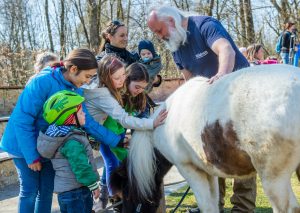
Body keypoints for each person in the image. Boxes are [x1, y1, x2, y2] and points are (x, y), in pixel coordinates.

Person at [147, 6, 256, 213]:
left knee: (244, 155)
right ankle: (216, 206)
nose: (159, 37)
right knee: (214, 159)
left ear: (171, 20)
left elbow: (226, 50)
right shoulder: (176, 46)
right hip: (210, 110)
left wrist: (221, 76)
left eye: (159, 30)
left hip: (238, 98)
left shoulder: (205, 25)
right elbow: (189, 82)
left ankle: (243, 209)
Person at [0, 48, 122, 213]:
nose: (88, 82)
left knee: (46, 192)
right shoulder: (42, 81)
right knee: (29, 191)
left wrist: (116, 140)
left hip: (49, 146)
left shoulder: (76, 88)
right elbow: (23, 120)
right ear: (73, 69)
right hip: (22, 146)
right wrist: (31, 156)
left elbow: (88, 122)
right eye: (87, 76)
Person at [83, 55, 167, 211]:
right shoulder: (108, 95)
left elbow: (135, 116)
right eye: (137, 87)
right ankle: (116, 198)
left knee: (123, 164)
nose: (140, 91)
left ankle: (121, 197)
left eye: (143, 88)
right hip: (107, 134)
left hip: (117, 134)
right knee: (111, 164)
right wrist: (150, 124)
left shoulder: (131, 94)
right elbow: (121, 119)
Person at [37, 91, 100, 213]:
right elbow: (80, 166)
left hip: (68, 193)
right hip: (77, 192)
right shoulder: (71, 142)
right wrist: (93, 185)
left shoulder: (61, 135)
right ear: (71, 118)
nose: (84, 115)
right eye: (81, 113)